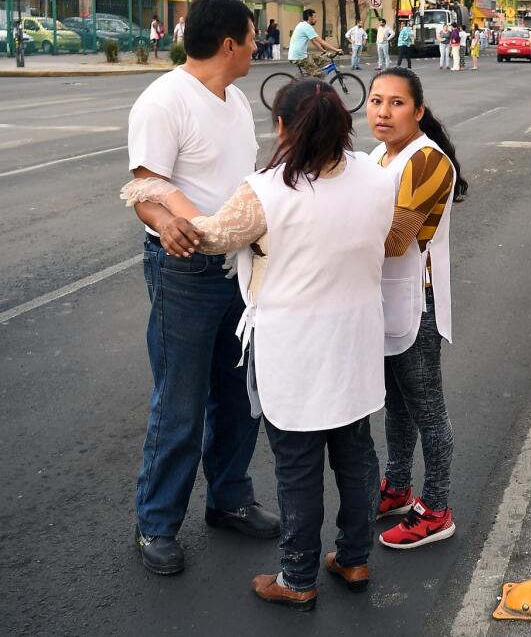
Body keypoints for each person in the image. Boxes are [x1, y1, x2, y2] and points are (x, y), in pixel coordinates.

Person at [122, 78, 396, 610]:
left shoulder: (268, 191)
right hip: (357, 338)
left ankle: (297, 578)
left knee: (297, 462)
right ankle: (355, 556)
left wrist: (149, 190)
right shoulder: (374, 174)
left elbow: (207, 235)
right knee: (355, 451)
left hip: (296, 347)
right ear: (344, 124)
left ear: (280, 128)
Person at [125, 0, 279, 577]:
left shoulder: (236, 98)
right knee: (181, 403)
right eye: (252, 36)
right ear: (230, 44)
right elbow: (146, 185)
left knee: (240, 398)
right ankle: (156, 524)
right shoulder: (164, 100)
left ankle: (230, 499)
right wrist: (170, 224)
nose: (257, 45)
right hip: (185, 271)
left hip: (238, 266)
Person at [366, 67, 469, 549]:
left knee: (427, 408)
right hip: (383, 295)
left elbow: (395, 239)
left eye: (397, 103)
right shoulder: (377, 157)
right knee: (398, 403)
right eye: (375, 100)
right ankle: (399, 486)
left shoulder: (426, 160)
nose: (383, 112)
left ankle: (438, 506)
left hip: (415, 297)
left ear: (419, 111)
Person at [289, 9, 340, 77]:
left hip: (299, 55)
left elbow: (314, 41)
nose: (316, 19)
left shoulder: (301, 24)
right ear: (310, 18)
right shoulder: (307, 27)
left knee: (322, 60)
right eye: (315, 17)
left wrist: (324, 51)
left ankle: (309, 79)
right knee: (319, 75)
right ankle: (313, 83)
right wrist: (336, 50)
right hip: (299, 57)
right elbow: (321, 41)